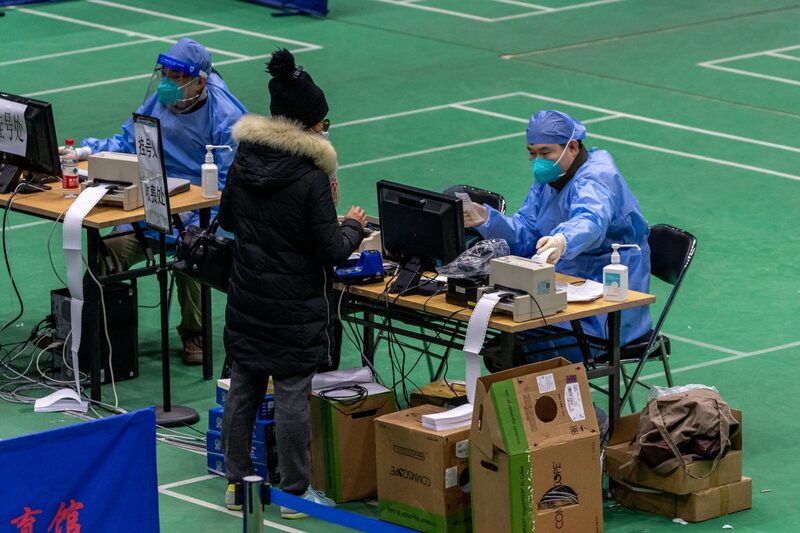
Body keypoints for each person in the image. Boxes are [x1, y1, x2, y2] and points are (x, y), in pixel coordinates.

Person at [219, 49, 366, 517]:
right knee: (290, 398)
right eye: (324, 124)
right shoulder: (309, 177)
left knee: (243, 390)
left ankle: (236, 483)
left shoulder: (245, 159)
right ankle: (294, 493)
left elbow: (226, 219)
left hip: (247, 299)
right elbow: (332, 250)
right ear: (307, 126)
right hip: (293, 307)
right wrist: (354, 224)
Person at [80, 38, 247, 364]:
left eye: (177, 77)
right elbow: (127, 142)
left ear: (199, 81)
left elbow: (231, 191)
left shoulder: (227, 119)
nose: (168, 84)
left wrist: (190, 221)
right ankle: (92, 328)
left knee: (193, 254)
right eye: (165, 75)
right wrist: (86, 151)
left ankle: (194, 332)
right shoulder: (159, 100)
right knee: (102, 253)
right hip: (151, 212)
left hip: (200, 219)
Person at [464, 109, 652, 361]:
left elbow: (590, 220)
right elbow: (527, 232)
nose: (537, 160)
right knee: (503, 345)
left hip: (610, 297)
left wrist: (562, 239)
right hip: (567, 281)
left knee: (520, 349)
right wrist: (487, 220)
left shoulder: (598, 177)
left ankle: (569, 400)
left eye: (545, 152)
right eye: (531, 153)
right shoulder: (550, 178)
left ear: (572, 147)